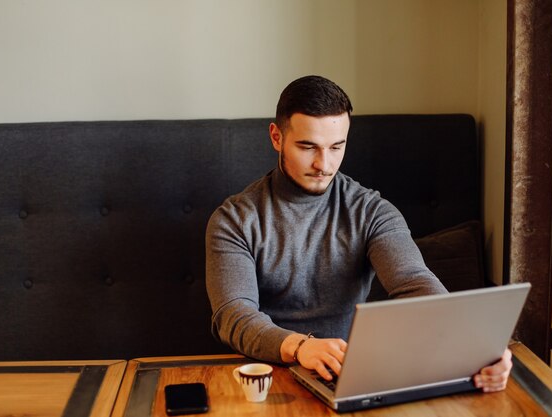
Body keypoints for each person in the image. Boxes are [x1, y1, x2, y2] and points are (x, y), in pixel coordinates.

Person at [206, 75, 512, 393]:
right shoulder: (234, 219)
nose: (324, 164)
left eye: (336, 147)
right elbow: (234, 314)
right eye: (307, 147)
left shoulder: (371, 210)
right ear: (276, 137)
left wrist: (476, 348)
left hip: (346, 374)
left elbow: (414, 282)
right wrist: (300, 347)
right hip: (261, 377)